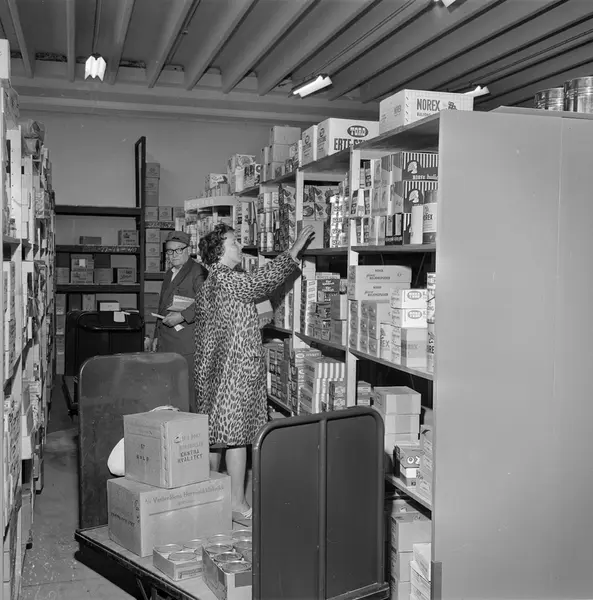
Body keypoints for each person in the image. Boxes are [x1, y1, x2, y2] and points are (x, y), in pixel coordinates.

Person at [194, 223, 314, 520]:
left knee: (216, 436)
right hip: (235, 370)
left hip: (214, 370)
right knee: (237, 436)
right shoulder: (228, 278)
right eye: (234, 242)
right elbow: (260, 282)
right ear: (219, 251)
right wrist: (293, 252)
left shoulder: (210, 283)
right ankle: (236, 503)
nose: (240, 246)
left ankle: (210, 499)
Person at [151, 231, 206, 402]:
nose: (173, 255)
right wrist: (156, 336)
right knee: (169, 392)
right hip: (167, 342)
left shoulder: (198, 272)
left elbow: (207, 301)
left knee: (187, 393)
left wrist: (182, 316)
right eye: (169, 251)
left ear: (188, 249)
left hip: (186, 345)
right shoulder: (170, 273)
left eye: (178, 250)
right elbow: (162, 306)